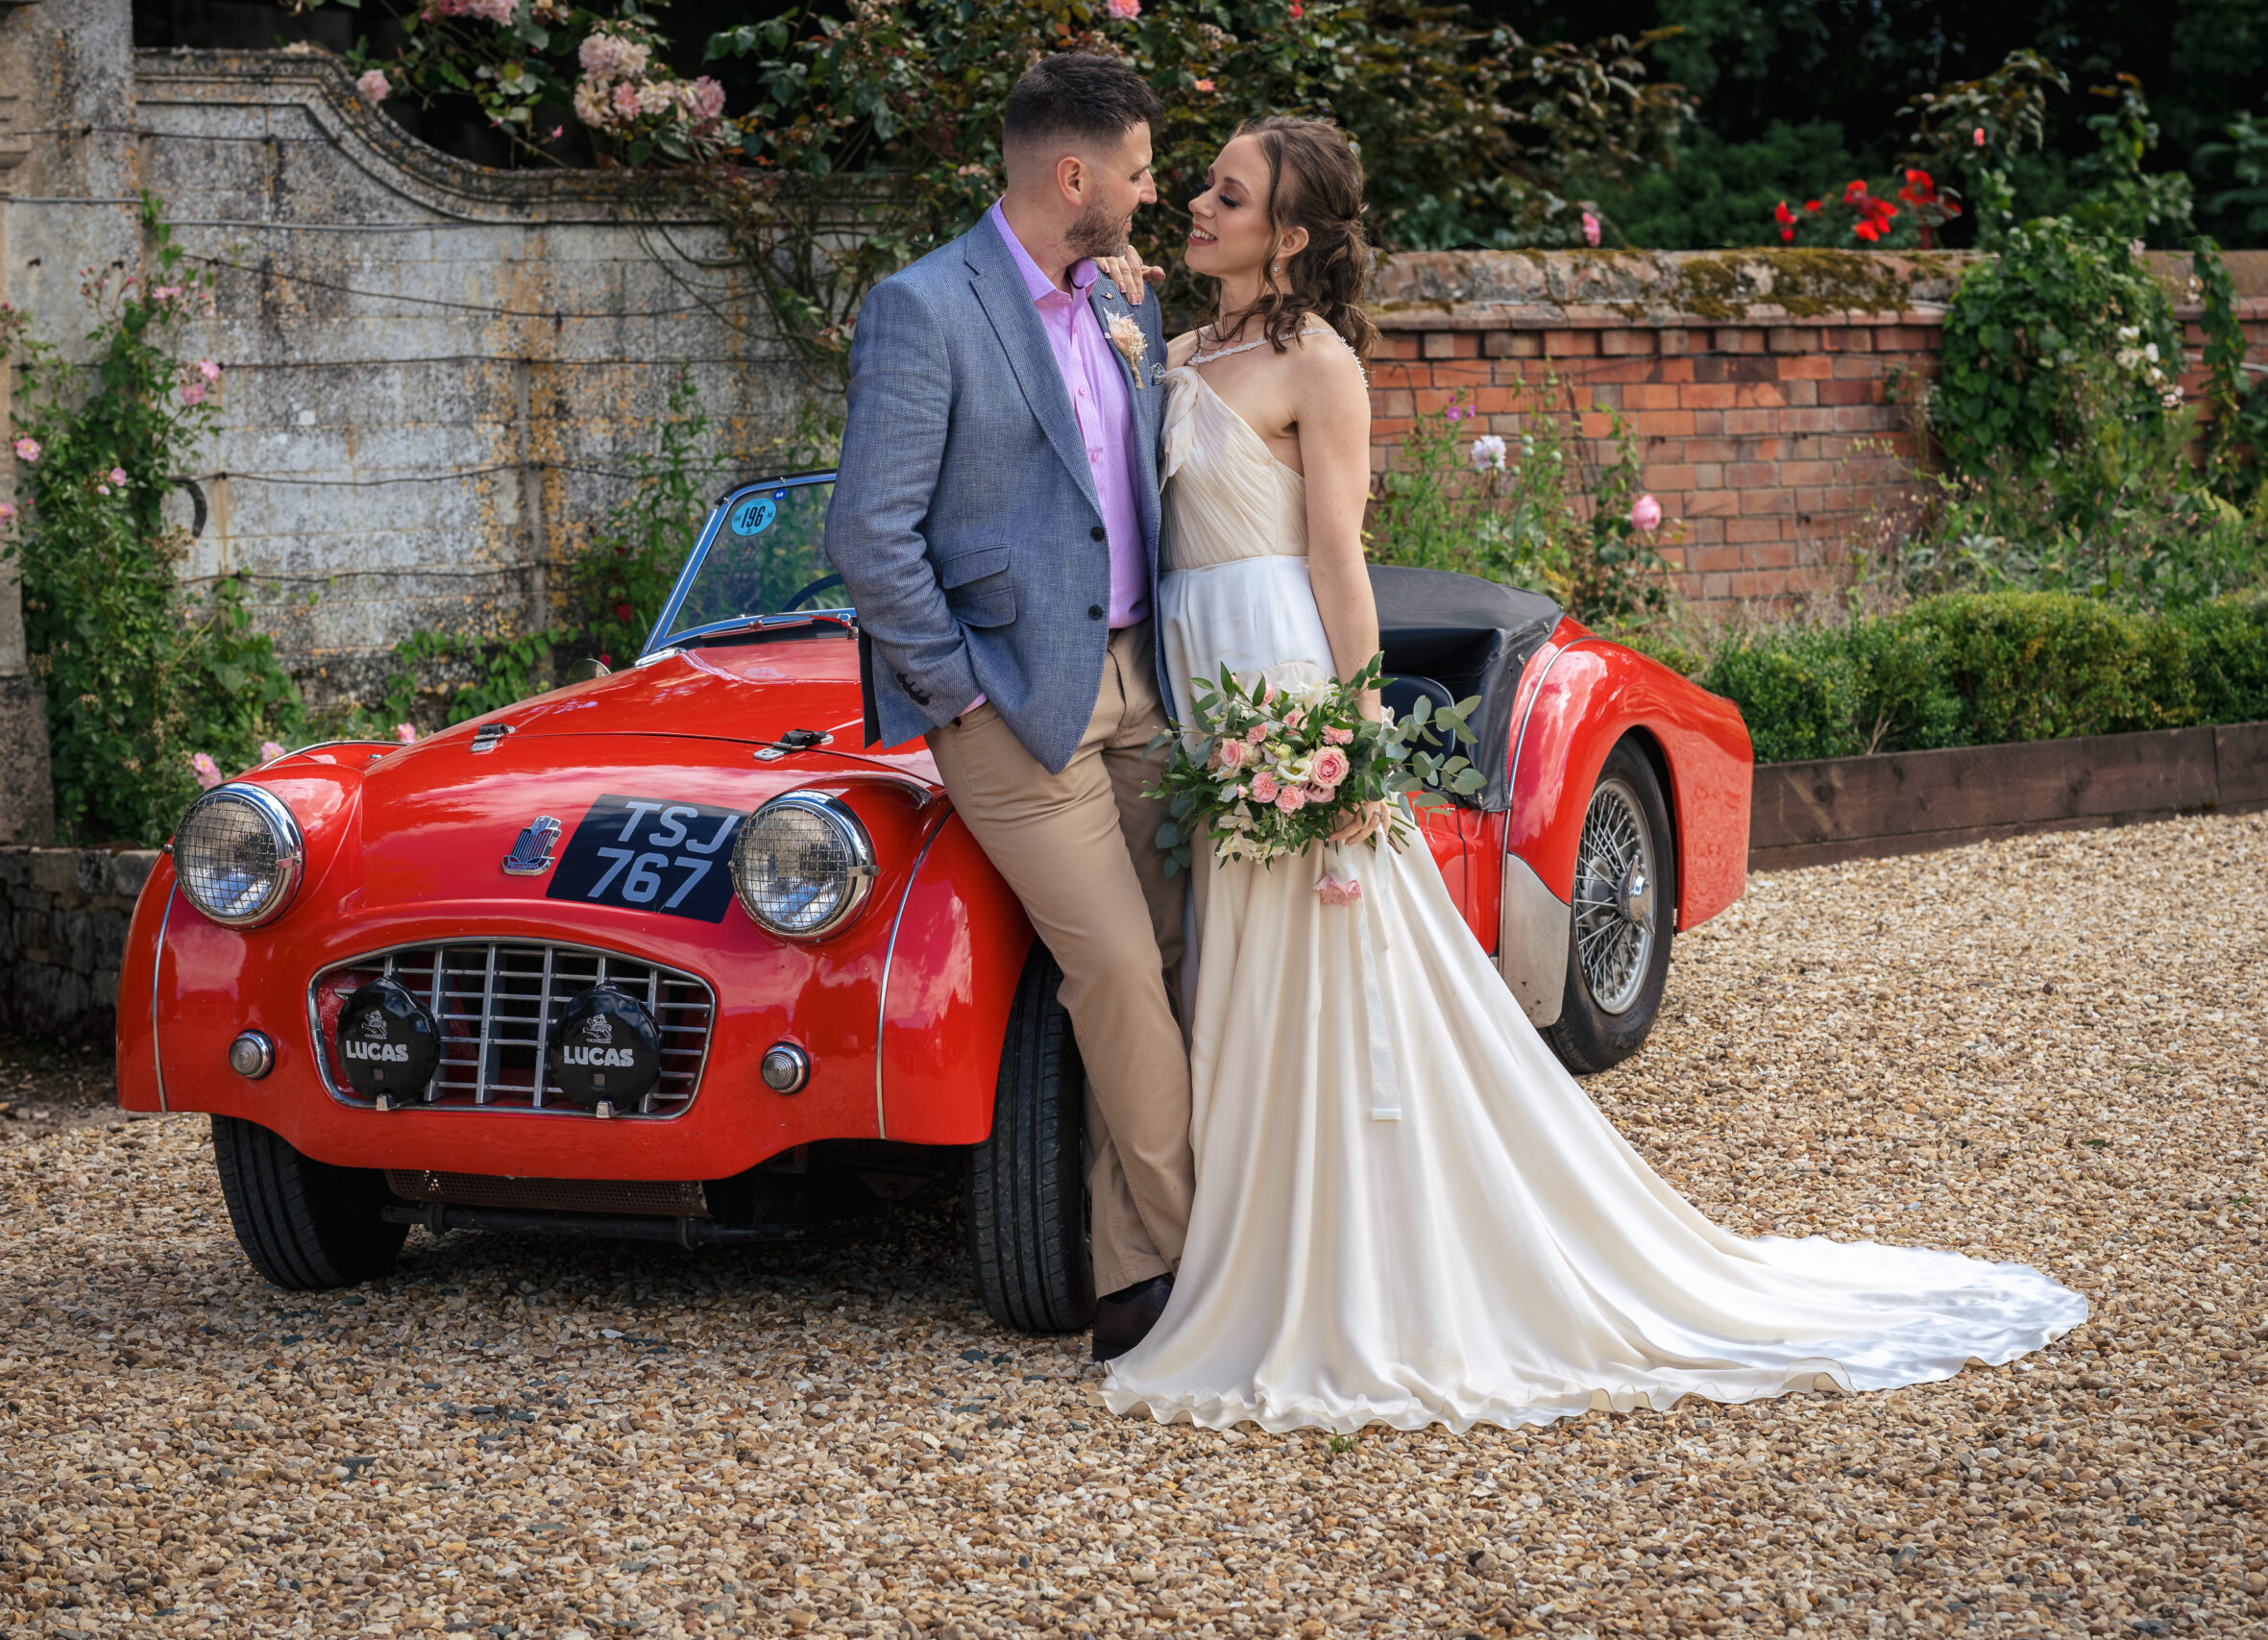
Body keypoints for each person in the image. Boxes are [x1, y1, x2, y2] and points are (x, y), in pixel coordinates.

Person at [1092, 117, 2088, 1432]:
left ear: (1288, 235)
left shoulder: (1317, 366)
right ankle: (1244, 1240)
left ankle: (1352, 1269)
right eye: (1205, 185)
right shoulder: (1181, 349)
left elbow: (1340, 561)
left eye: (1229, 194)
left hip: (1280, 687)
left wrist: (1349, 745)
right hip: (1195, 682)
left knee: (1322, 979)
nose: (1199, 207)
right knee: (1232, 975)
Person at [827, 54, 1188, 1360]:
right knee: (1116, 975)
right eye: (1141, 173)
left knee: (1198, 953)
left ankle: (1128, 1275)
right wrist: (958, 691)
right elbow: (869, 533)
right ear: (1074, 176)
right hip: (1011, 709)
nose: (1154, 196)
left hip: (1148, 686)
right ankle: (1205, 1265)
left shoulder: (1115, 305)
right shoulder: (927, 308)